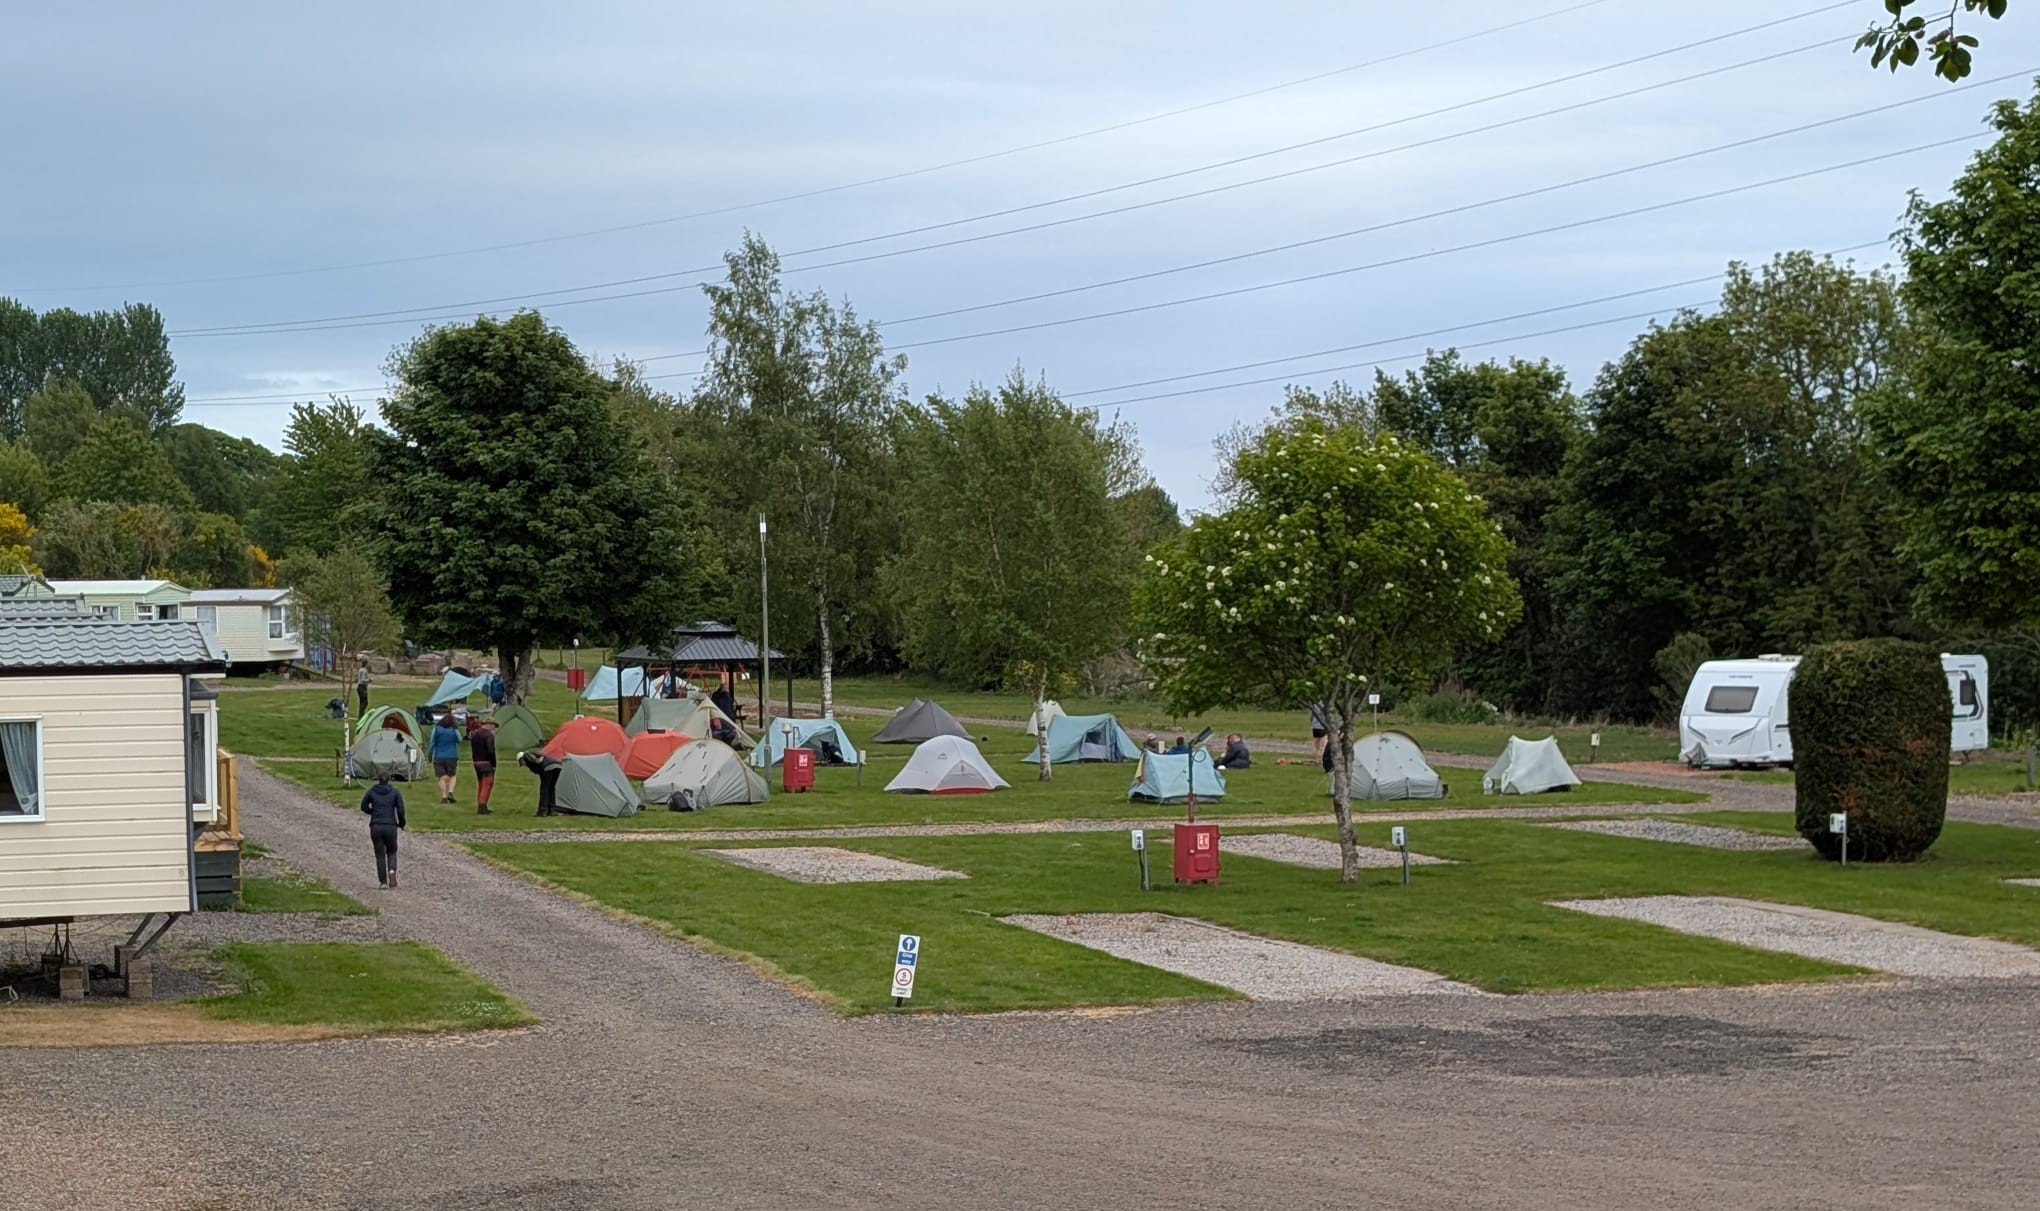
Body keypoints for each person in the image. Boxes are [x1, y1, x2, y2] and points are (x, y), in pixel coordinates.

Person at [359, 772, 406, 889]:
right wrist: (401, 823)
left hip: (376, 826)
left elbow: (363, 806)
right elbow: (400, 810)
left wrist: (373, 812)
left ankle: (383, 882)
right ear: (389, 779)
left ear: (378, 779)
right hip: (390, 825)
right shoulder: (395, 792)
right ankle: (392, 870)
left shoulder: (372, 791)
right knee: (392, 851)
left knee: (380, 854)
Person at [518, 750, 564, 816]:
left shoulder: (527, 756)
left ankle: (543, 811)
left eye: (521, 762)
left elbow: (538, 763)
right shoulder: (535, 754)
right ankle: (552, 810)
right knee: (551, 789)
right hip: (558, 766)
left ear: (521, 758)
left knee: (544, 790)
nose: (523, 764)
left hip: (548, 767)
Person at [430, 714, 462, 804]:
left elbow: (432, 743)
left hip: (439, 756)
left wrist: (429, 755)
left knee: (441, 777)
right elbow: (460, 740)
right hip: (452, 756)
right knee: (452, 775)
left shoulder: (436, 729)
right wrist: (455, 730)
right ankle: (450, 792)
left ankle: (444, 796)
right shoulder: (454, 729)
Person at [470, 719, 498, 816]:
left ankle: (482, 805)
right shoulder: (489, 735)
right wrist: (494, 764)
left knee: (481, 784)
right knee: (487, 785)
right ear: (489, 724)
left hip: (477, 762)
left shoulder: (474, 734)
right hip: (486, 762)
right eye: (494, 726)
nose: (494, 728)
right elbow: (491, 751)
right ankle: (482, 807)